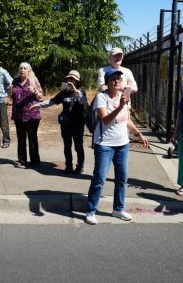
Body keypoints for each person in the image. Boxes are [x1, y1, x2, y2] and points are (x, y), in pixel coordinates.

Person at [85, 69, 148, 225]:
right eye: (113, 79)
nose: (116, 81)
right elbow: (106, 120)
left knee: (122, 179)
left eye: (119, 79)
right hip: (105, 145)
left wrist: (138, 133)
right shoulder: (101, 97)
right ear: (107, 82)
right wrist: (120, 106)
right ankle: (91, 211)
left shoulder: (124, 98)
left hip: (123, 145)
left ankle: (118, 209)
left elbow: (126, 120)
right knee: (99, 179)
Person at [31, 70, 87, 174]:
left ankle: (80, 166)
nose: (70, 81)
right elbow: (51, 102)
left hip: (78, 124)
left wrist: (75, 90)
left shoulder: (81, 91)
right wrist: (38, 105)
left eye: (73, 79)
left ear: (77, 81)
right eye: (69, 79)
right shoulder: (63, 93)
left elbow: (83, 100)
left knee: (78, 146)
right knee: (67, 146)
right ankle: (68, 166)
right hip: (66, 124)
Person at [11, 62, 43, 168]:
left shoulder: (33, 81)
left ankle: (35, 161)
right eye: (20, 68)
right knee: (21, 138)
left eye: (25, 68)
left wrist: (34, 91)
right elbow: (11, 97)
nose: (22, 70)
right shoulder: (15, 81)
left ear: (29, 70)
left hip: (32, 115)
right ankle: (22, 161)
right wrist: (9, 92)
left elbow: (41, 98)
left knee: (32, 138)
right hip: (18, 115)